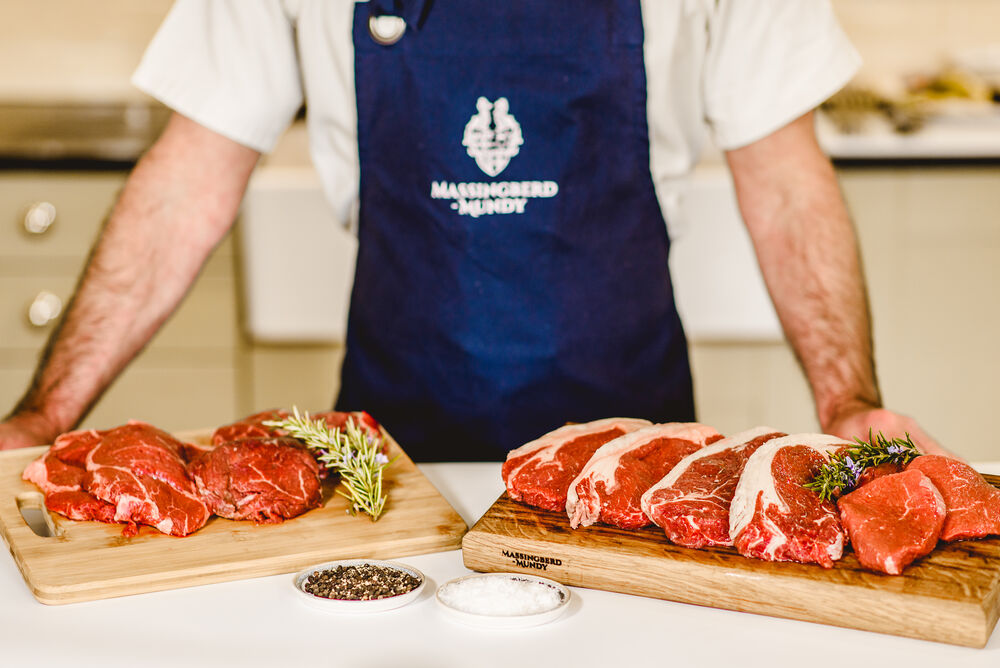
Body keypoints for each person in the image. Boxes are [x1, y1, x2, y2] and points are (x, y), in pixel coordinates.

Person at [0, 1, 954, 462]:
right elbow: (186, 183)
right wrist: (44, 415)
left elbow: (786, 179)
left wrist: (847, 401)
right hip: (391, 470)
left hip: (637, 469)